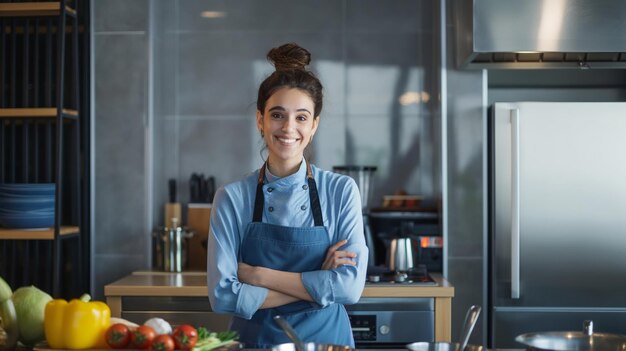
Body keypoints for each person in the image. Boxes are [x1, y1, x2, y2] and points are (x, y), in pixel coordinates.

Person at [206, 43, 368, 348]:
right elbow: (222, 296)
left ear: (314, 125)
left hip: (326, 342)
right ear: (260, 120)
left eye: (302, 117)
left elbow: (349, 288)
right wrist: (319, 279)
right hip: (256, 342)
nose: (289, 127)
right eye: (277, 115)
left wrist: (257, 275)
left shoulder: (341, 191)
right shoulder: (231, 198)